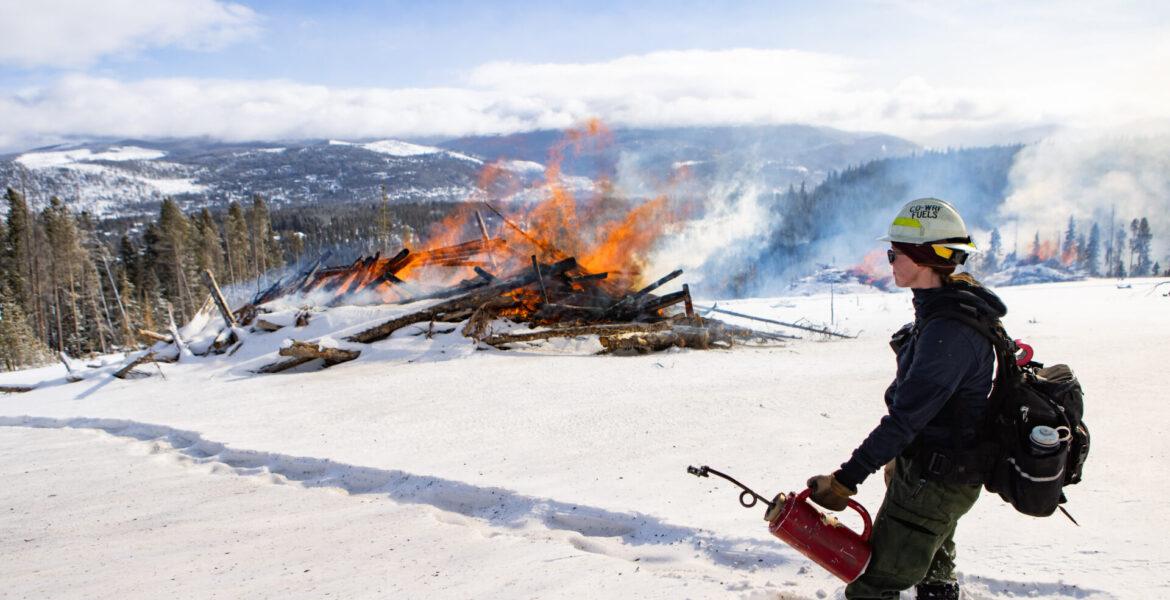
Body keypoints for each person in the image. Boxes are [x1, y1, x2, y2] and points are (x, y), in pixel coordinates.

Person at [806, 198, 1007, 600]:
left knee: (873, 586)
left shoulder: (948, 330)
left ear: (921, 257)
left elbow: (905, 419)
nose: (890, 260)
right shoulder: (941, 312)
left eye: (894, 253)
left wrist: (846, 480)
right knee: (933, 572)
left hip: (935, 480)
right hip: (936, 471)